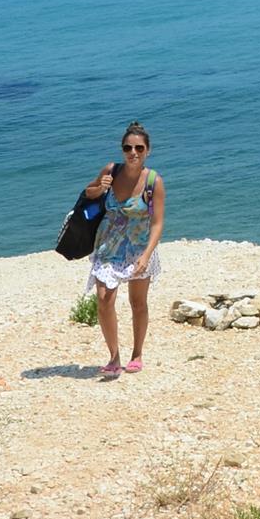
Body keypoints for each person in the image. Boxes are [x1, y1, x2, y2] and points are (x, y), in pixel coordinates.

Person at [81, 122, 164, 378]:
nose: (133, 153)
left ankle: (137, 354)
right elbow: (88, 193)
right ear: (122, 150)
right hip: (109, 245)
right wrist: (101, 188)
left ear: (148, 151)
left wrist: (146, 255)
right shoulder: (111, 170)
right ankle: (114, 356)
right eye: (128, 148)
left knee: (138, 303)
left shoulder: (153, 181)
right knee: (104, 300)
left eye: (139, 148)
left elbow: (157, 223)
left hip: (138, 248)